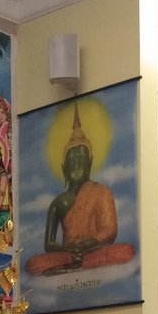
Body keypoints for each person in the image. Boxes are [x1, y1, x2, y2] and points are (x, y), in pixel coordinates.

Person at [43, 104, 118, 257]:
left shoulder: (101, 192)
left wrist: (90, 242)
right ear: (64, 168)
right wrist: (67, 249)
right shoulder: (58, 203)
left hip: (95, 249)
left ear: (90, 163)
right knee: (35, 264)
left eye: (82, 159)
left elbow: (110, 230)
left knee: (122, 252)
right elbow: (49, 244)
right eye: (72, 160)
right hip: (68, 254)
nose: (77, 165)